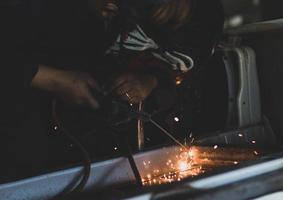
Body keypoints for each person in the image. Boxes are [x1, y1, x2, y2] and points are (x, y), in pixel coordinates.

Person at [0, 0, 224, 181]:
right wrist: (54, 80)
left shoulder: (205, 16)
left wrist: (151, 80)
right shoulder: (42, 12)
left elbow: (187, 69)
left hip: (108, 139)